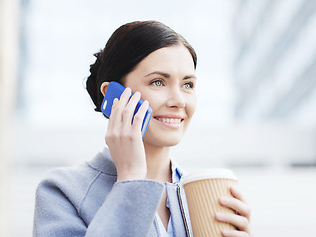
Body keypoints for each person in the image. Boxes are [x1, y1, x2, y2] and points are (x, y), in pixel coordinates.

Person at [33, 20, 251, 237]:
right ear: (113, 95)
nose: (179, 101)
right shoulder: (63, 191)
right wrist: (131, 180)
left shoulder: (201, 192)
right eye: (158, 82)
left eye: (187, 85)